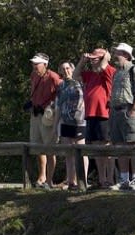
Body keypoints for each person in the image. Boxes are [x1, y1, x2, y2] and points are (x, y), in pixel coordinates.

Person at [72, 48, 116, 189]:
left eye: (95, 58)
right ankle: (102, 179)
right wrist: (82, 61)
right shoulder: (90, 74)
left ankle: (110, 179)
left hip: (104, 113)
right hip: (91, 114)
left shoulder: (109, 70)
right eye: (91, 58)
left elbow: (103, 66)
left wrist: (106, 57)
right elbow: (75, 75)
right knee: (97, 148)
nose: (92, 60)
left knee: (107, 147)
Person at [108, 43, 135, 191]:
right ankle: (124, 180)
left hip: (128, 110)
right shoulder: (116, 72)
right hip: (116, 112)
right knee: (119, 146)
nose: (114, 56)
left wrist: (134, 109)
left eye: (117, 52)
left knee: (133, 146)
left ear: (125, 54)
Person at [52, 61, 88, 190]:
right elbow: (58, 107)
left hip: (79, 121)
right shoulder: (61, 86)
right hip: (65, 121)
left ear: (72, 69)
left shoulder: (80, 82)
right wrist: (55, 126)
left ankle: (82, 181)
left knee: (81, 151)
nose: (66, 71)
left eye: (68, 68)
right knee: (68, 152)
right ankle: (71, 180)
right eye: (63, 69)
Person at [28, 53, 62, 189]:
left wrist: (53, 107)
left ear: (45, 64)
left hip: (48, 115)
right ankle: (41, 177)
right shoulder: (34, 75)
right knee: (37, 147)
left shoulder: (54, 77)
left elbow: (61, 92)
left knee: (50, 148)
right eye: (34, 63)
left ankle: (49, 180)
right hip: (35, 114)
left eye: (37, 63)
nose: (34, 66)